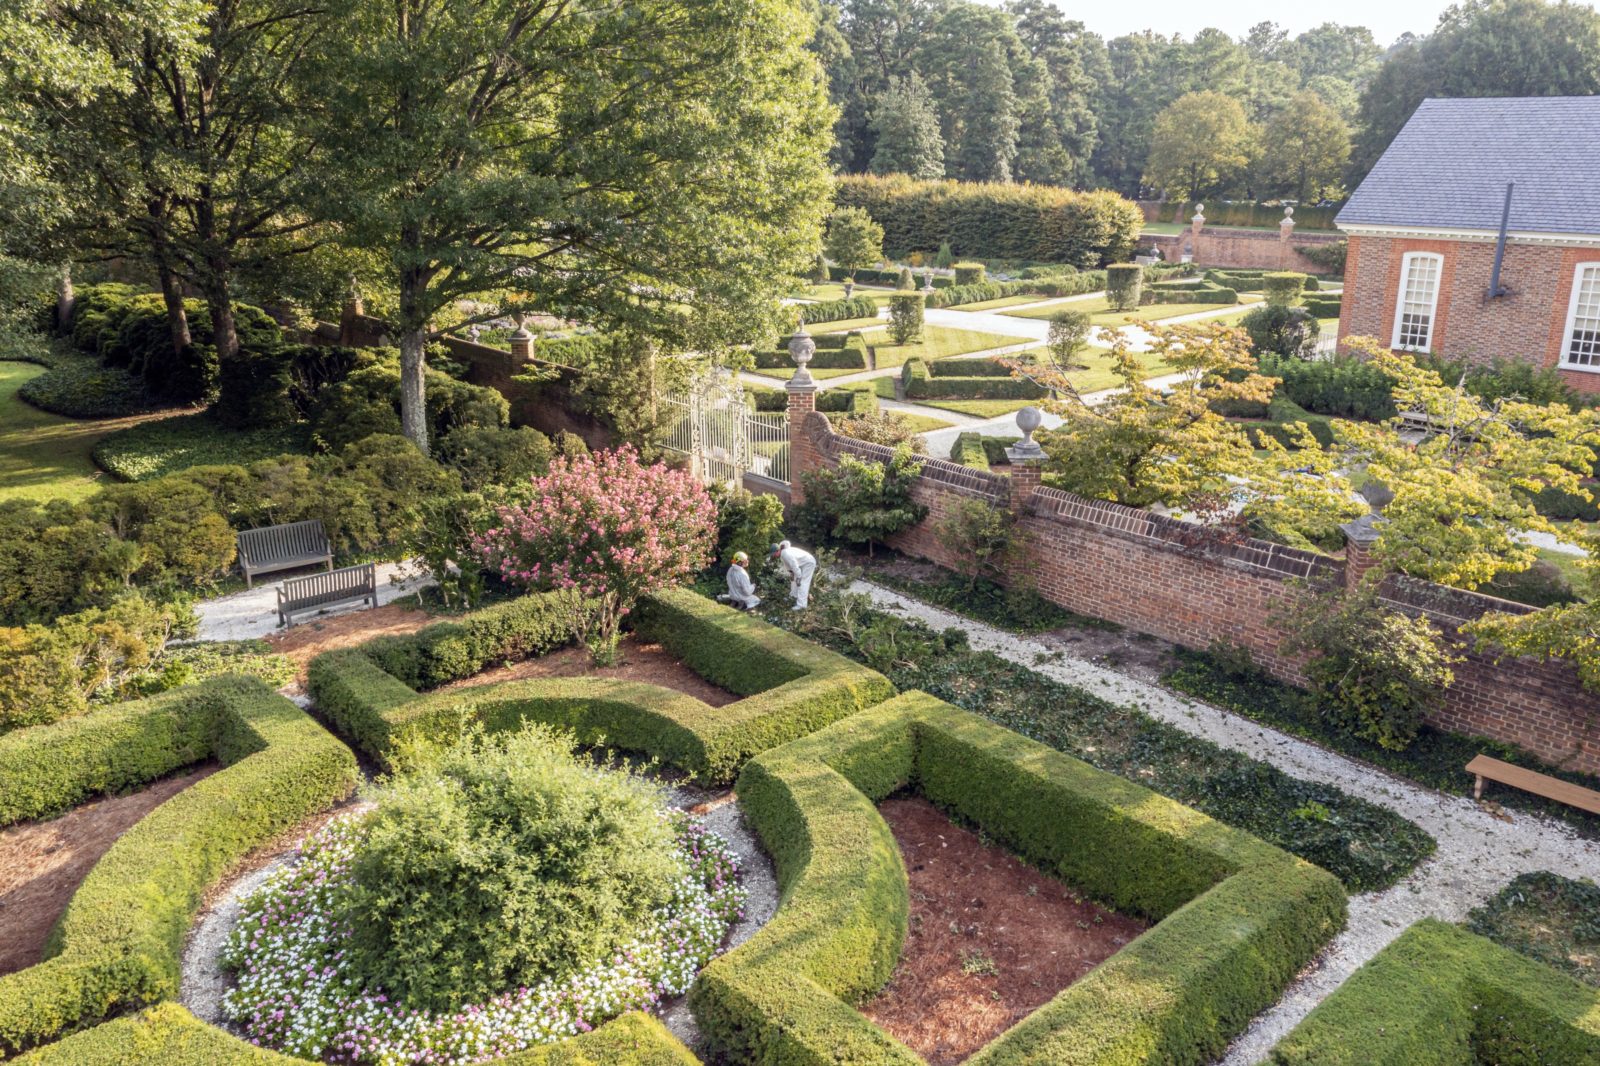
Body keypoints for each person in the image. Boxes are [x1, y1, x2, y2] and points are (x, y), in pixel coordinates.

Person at [770, 540, 816, 610]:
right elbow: (788, 565)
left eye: (774, 554)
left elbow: (794, 565)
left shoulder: (786, 553)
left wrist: (799, 577)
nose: (773, 555)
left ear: (778, 550)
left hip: (809, 563)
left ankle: (802, 605)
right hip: (803, 563)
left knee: (802, 583)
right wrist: (791, 573)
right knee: (793, 580)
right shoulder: (782, 554)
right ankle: (793, 596)